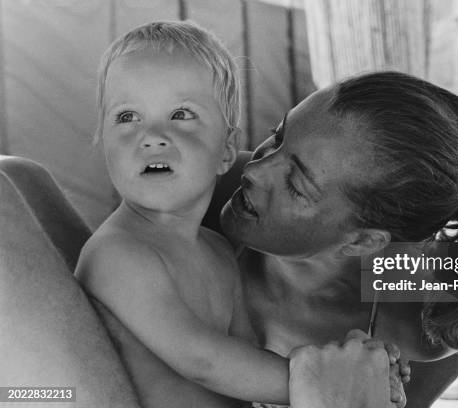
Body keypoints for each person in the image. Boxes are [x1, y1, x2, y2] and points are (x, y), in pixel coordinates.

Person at [0, 70, 458, 408]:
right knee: (17, 174)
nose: (259, 169)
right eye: (277, 135)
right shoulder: (217, 184)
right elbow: (106, 285)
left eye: (295, 183)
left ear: (365, 241)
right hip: (53, 386)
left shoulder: (438, 321)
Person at [72, 20, 405, 408]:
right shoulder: (119, 254)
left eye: (181, 114)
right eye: (127, 116)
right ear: (102, 141)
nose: (152, 135)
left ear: (226, 150)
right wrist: (326, 381)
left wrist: (364, 373)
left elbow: (246, 357)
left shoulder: (215, 250)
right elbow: (202, 361)